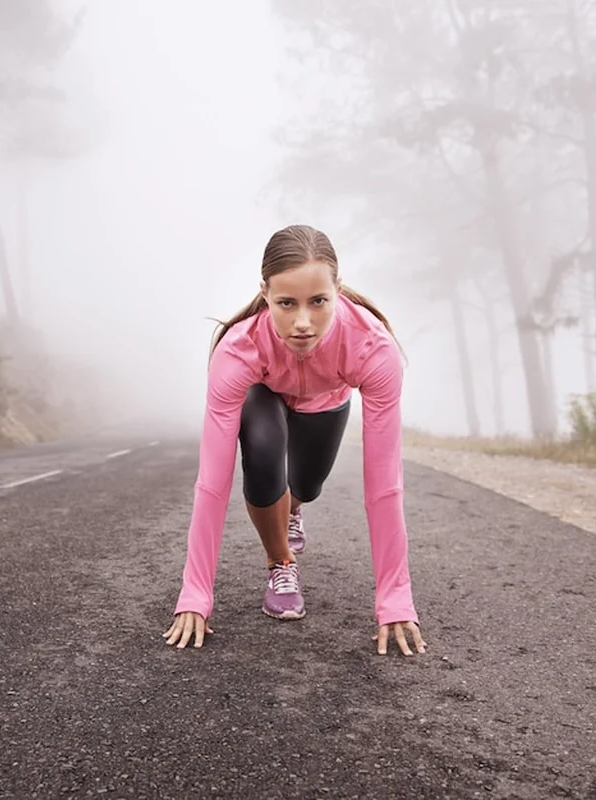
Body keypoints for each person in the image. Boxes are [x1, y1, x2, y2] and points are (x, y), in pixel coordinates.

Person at [164, 224, 425, 657]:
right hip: (265, 395)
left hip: (326, 404)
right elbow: (212, 484)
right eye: (286, 303)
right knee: (265, 458)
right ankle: (281, 562)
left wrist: (395, 601)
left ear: (337, 290)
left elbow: (384, 486)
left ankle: (294, 509)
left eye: (318, 302)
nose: (302, 323)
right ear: (265, 294)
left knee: (305, 486)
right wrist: (195, 595)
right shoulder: (238, 349)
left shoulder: (372, 347)